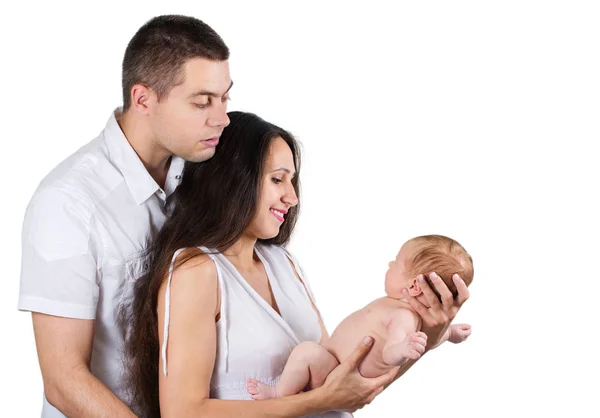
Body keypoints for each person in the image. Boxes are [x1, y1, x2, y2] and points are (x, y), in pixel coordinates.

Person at [18, 14, 468, 418]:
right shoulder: (69, 203)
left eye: (225, 98)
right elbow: (64, 381)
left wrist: (423, 329)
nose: (223, 118)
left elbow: (342, 376)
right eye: (202, 102)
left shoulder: (206, 178)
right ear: (143, 99)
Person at [124, 112, 471, 418]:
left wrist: (431, 330)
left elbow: (344, 382)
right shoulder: (196, 271)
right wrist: (315, 402)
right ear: (232, 181)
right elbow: (184, 413)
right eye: (277, 179)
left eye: (292, 180)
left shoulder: (282, 263)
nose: (292, 197)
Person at [246, 235, 474, 400]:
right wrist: (451, 333)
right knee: (309, 353)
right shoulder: (397, 308)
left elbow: (390, 352)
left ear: (414, 285)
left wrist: (403, 348)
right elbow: (431, 338)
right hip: (332, 366)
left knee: (306, 351)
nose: (390, 264)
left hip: (333, 375)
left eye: (396, 262)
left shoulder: (403, 317)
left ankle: (278, 393)